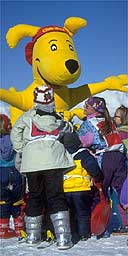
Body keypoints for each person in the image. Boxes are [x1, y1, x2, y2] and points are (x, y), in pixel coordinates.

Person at [10, 85, 75, 249]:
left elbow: (15, 132)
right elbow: (70, 130)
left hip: (32, 162)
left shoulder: (26, 117)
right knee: (56, 196)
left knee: (34, 196)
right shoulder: (58, 119)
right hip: (54, 160)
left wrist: (21, 148)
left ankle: (33, 236)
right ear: (51, 99)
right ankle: (63, 238)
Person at [78, 96, 127, 198]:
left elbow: (84, 142)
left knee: (101, 191)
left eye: (87, 106)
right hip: (119, 156)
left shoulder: (88, 124)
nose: (84, 107)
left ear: (94, 109)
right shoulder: (109, 121)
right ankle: (121, 211)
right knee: (120, 190)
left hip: (104, 158)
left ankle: (102, 212)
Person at [61, 132, 103, 242]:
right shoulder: (84, 154)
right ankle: (84, 233)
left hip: (65, 189)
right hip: (81, 188)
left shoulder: (63, 155)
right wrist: (99, 177)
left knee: (70, 213)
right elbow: (93, 168)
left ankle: (73, 233)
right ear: (78, 143)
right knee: (82, 212)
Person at [0, 114, 25, 239]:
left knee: (3, 201)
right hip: (12, 171)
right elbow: (7, 155)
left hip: (0, 172)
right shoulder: (9, 138)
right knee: (16, 200)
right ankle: (19, 229)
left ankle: (3, 230)